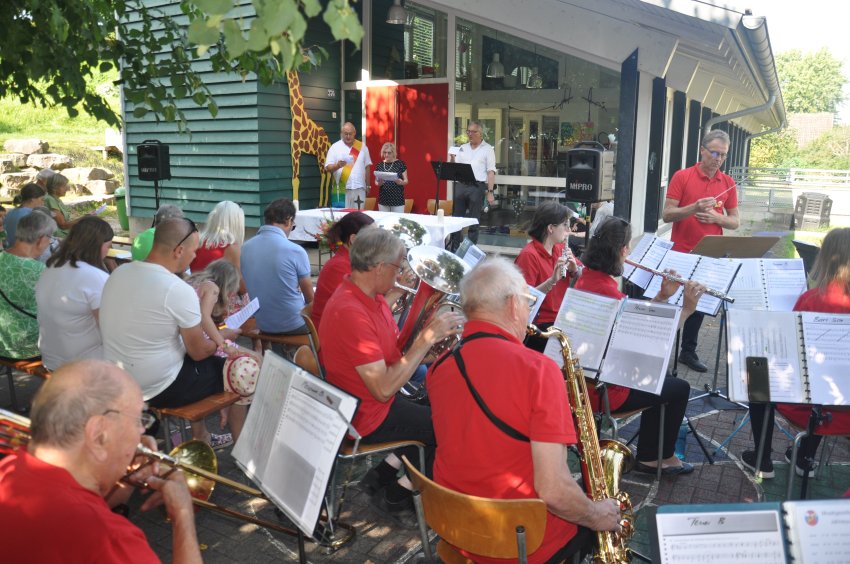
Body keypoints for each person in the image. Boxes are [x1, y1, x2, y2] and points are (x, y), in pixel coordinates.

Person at [427, 258, 621, 563]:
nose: (529, 311)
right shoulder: (539, 370)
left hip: (456, 526)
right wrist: (598, 515)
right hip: (518, 542)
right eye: (529, 301)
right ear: (513, 304)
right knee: (592, 517)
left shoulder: (439, 367)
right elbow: (553, 492)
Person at [319, 228, 464, 513]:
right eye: (398, 267)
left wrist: (426, 355)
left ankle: (381, 475)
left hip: (368, 402)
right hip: (364, 415)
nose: (401, 274)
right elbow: (383, 389)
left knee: (440, 404)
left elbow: (388, 356)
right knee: (448, 427)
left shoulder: (368, 297)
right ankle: (398, 497)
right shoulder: (351, 311)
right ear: (379, 268)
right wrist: (426, 340)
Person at [0, 360, 202, 564]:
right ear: (98, 435)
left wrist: (121, 473)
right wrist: (182, 515)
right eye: (138, 420)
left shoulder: (8, 470)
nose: (142, 433)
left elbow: (75, 505)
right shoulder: (109, 539)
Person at [575, 216, 706, 475]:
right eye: (628, 248)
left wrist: (661, 296)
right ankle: (656, 457)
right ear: (623, 251)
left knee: (663, 380)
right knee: (678, 388)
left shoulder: (585, 279)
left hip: (581, 383)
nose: (629, 253)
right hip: (605, 391)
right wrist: (687, 310)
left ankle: (651, 451)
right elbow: (650, 344)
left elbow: (635, 324)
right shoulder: (612, 295)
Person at [100, 217, 245, 447]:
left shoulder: (118, 273)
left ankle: (202, 435)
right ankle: (243, 449)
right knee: (244, 368)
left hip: (120, 379)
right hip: (161, 386)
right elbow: (199, 352)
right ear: (178, 251)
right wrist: (224, 338)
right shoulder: (176, 289)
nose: (194, 257)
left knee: (195, 360)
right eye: (193, 251)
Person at [742, 227, 850, 479]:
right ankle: (804, 457)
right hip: (843, 408)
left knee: (757, 380)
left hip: (808, 405)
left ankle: (762, 459)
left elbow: (789, 350)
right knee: (830, 379)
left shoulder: (812, 299)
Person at [662, 129, 739, 373]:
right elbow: (667, 214)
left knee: (698, 304)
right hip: (682, 252)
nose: (718, 159)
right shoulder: (682, 176)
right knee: (674, 301)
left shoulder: (727, 183)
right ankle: (662, 351)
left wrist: (717, 218)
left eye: (723, 155)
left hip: (710, 254)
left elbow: (735, 221)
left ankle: (688, 351)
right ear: (702, 150)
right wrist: (693, 208)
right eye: (714, 153)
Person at [35, 216, 114, 370]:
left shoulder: (52, 266)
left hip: (51, 358)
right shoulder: (95, 276)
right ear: (97, 246)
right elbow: (110, 327)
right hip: (82, 363)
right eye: (108, 246)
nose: (107, 252)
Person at [241, 198, 313, 339]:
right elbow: (310, 299)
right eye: (293, 226)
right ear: (288, 220)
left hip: (263, 322)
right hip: (295, 323)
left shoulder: (245, 248)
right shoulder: (295, 250)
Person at [514, 201, 582, 352]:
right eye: (565, 225)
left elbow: (583, 274)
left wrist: (575, 270)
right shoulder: (529, 255)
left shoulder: (560, 248)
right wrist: (551, 281)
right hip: (540, 326)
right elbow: (524, 299)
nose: (568, 229)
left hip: (561, 317)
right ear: (551, 228)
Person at [0, 211, 56, 360]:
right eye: (50, 238)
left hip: (2, 342)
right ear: (41, 239)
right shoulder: (39, 271)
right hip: (28, 347)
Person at [311, 211, 375, 329]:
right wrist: (395, 291)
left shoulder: (354, 261)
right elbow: (368, 310)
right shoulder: (339, 266)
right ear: (353, 239)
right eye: (373, 237)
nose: (378, 242)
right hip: (333, 330)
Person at [448, 120, 496, 250]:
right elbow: (454, 167)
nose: (470, 134)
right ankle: (454, 248)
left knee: (474, 221)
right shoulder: (462, 147)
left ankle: (469, 251)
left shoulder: (487, 149)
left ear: (480, 133)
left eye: (473, 132)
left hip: (477, 187)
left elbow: (491, 172)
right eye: (468, 131)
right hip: (461, 185)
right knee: (456, 219)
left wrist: (490, 192)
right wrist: (452, 158)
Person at [325, 122, 373, 209]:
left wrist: (368, 185)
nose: (348, 136)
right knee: (342, 216)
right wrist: (337, 165)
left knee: (358, 216)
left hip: (359, 188)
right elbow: (328, 167)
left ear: (354, 133)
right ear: (341, 133)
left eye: (350, 134)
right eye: (345, 134)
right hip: (342, 189)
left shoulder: (362, 147)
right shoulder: (335, 147)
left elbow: (367, 167)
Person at [44, 172, 86, 237]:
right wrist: (84, 218)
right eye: (64, 186)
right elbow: (63, 225)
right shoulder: (50, 200)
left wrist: (85, 217)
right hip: (58, 237)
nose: (67, 189)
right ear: (54, 187)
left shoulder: (57, 199)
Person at [4, 183, 45, 247]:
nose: (43, 203)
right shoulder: (32, 215)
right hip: (23, 250)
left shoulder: (10, 212)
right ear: (32, 199)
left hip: (9, 249)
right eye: (42, 199)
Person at [373, 142, 409, 213]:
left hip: (397, 200)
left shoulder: (400, 164)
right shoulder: (380, 165)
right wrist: (379, 183)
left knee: (397, 219)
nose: (386, 155)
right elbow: (376, 182)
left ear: (393, 153)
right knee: (384, 219)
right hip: (383, 200)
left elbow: (406, 181)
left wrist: (400, 182)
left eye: (389, 153)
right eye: (385, 152)